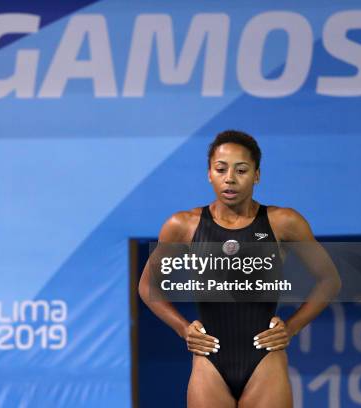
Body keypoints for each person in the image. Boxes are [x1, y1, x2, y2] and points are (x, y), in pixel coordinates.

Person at [138, 130, 342, 407]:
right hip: (209, 359)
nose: (230, 178)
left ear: (257, 175)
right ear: (209, 173)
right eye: (221, 169)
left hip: (265, 358)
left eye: (241, 170)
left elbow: (329, 280)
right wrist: (183, 329)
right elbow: (148, 286)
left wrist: (291, 328)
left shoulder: (284, 222)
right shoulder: (182, 225)